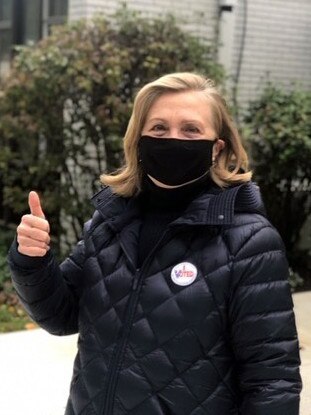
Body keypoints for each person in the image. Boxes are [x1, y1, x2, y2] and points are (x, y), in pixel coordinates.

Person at [8, 72, 301, 415]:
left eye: (191, 129)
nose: (173, 139)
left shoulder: (249, 241)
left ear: (217, 147)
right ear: (139, 140)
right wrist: (32, 260)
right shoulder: (110, 222)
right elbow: (61, 316)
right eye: (159, 128)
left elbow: (272, 378)